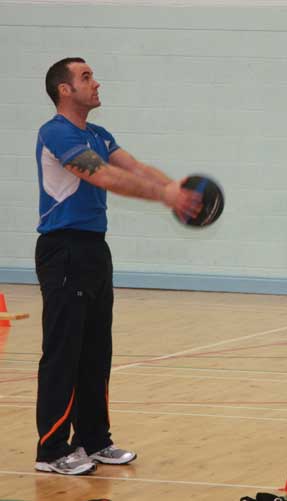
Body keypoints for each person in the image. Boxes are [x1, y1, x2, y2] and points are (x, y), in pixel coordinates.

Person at [34, 57, 202, 475]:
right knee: (63, 353)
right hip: (64, 250)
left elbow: (135, 167)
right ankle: (52, 449)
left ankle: (93, 440)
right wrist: (164, 197)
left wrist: (175, 188)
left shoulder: (99, 133)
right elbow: (104, 177)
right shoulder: (55, 132)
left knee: (95, 351)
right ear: (64, 90)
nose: (96, 83)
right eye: (86, 77)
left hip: (93, 249)